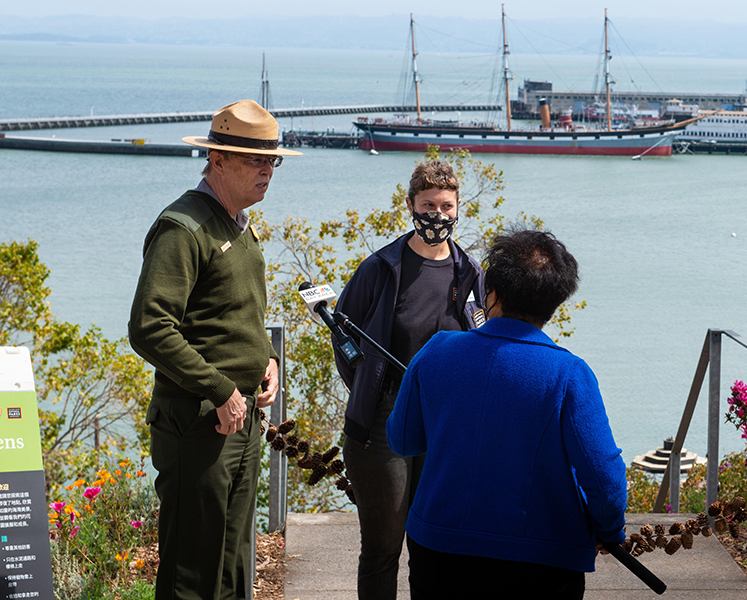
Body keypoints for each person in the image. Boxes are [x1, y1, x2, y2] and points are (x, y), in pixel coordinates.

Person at [387, 228, 626, 600]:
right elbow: (604, 476)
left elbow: (402, 439)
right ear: (555, 303)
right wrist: (610, 531)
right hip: (542, 559)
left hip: (439, 548)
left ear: (491, 293)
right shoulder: (569, 373)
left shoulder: (437, 350)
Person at [128, 99, 300, 600]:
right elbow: (150, 328)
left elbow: (231, 316)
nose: (268, 171)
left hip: (240, 418)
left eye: (274, 161)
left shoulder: (239, 223)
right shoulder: (184, 228)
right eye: (255, 161)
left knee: (232, 566)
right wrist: (221, 388)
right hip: (199, 421)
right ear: (218, 160)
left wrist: (266, 360)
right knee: (192, 573)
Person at [334, 160, 486, 599]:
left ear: (458, 209)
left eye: (446, 206)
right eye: (428, 205)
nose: (437, 215)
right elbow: (345, 338)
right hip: (384, 422)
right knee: (383, 547)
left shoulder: (471, 274)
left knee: (433, 545)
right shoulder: (381, 268)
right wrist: (368, 386)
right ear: (410, 206)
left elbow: (481, 341)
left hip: (445, 425)